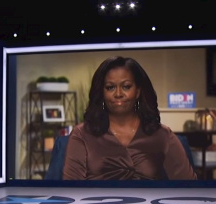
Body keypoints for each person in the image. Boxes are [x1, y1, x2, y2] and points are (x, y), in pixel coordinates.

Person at [63, 56, 197, 180]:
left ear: (138, 91)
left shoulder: (161, 135)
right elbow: (71, 189)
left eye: (126, 86)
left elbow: (189, 186)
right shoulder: (82, 134)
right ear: (102, 93)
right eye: (110, 88)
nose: (118, 94)